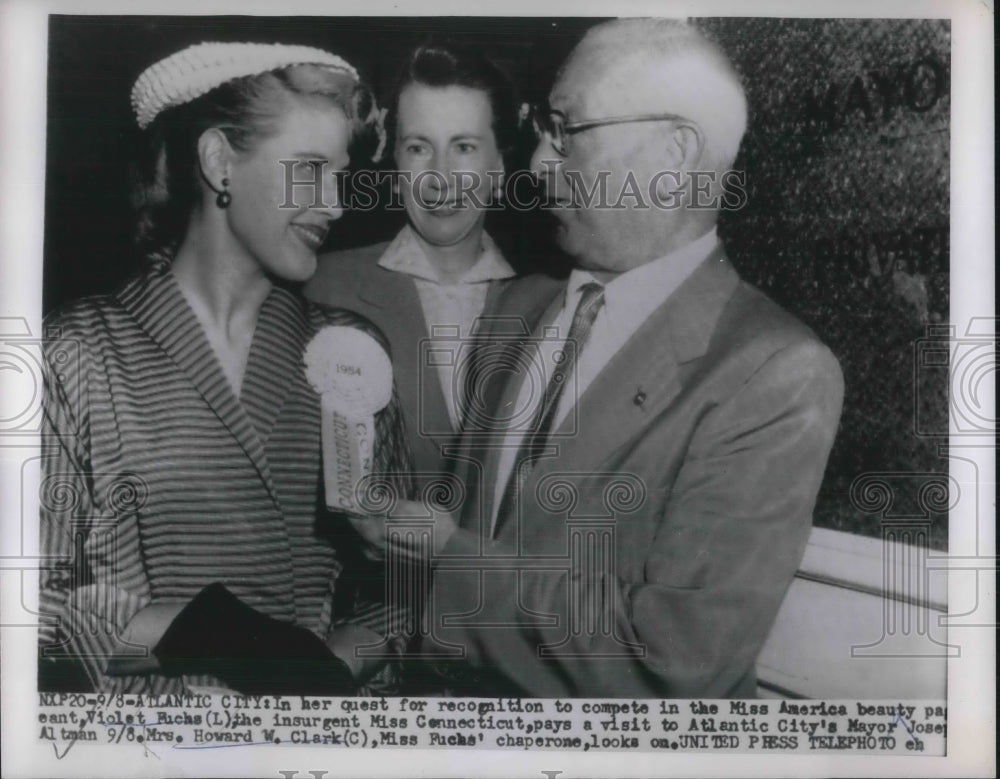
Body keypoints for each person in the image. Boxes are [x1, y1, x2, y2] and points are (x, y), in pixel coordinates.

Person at [348, 19, 845, 698]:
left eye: (566, 130)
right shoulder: (520, 307)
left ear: (673, 154)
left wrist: (445, 557)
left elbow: (676, 658)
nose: (536, 165)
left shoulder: (776, 373)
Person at [38, 41, 412, 695]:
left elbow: (403, 588)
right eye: (308, 170)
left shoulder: (348, 356)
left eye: (339, 175)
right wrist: (215, 633)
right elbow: (33, 609)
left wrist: (327, 670)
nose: (334, 203)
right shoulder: (75, 354)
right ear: (219, 163)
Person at [304, 40, 519, 492]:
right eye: (419, 148)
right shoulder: (319, 288)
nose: (440, 178)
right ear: (396, 161)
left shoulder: (554, 303)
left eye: (464, 147)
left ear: (498, 166)